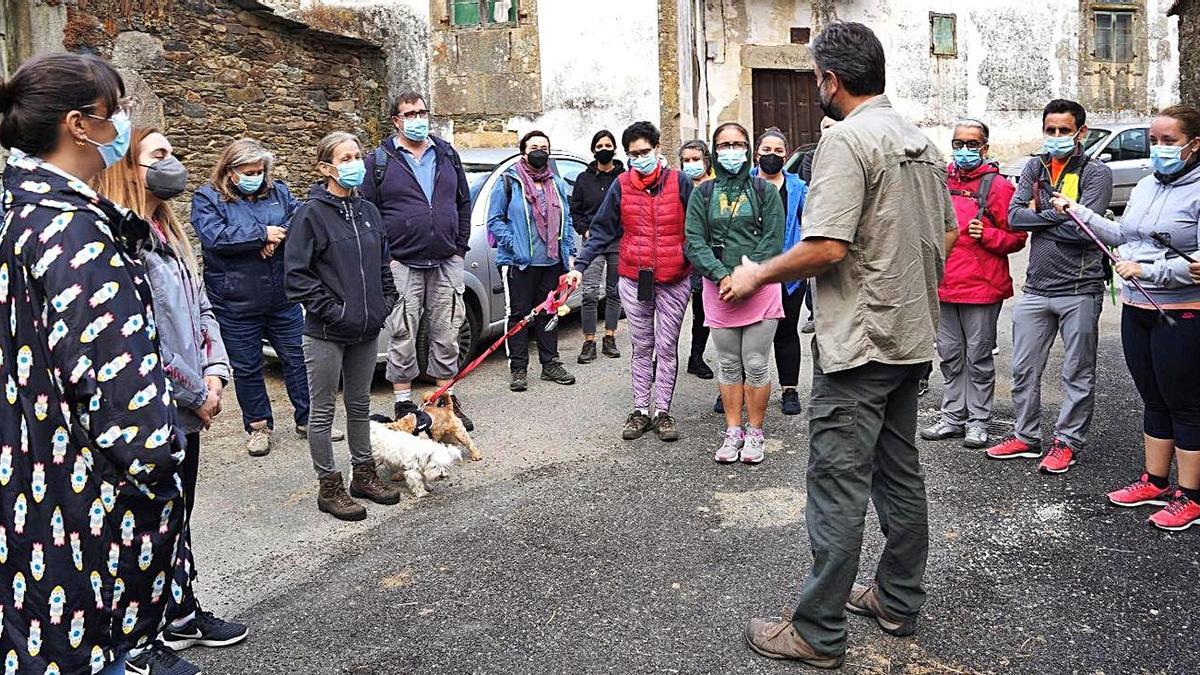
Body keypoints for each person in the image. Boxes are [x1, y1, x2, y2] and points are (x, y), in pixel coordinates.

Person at [726, 22, 958, 667]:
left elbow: (828, 246)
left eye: (815, 77)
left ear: (830, 79)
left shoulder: (847, 141)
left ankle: (817, 631)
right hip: (909, 336)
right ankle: (897, 599)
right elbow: (947, 230)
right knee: (899, 473)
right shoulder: (919, 141)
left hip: (859, 343)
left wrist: (757, 272)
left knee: (837, 485)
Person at [0, 52, 193, 675]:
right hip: (82, 506)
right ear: (80, 125)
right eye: (116, 114)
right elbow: (123, 391)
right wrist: (160, 464)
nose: (124, 128)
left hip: (28, 478)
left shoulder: (16, 210)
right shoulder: (72, 231)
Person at [96, 126, 250, 672]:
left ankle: (180, 611)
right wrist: (194, 392)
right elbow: (140, 338)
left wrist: (215, 375)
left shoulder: (169, 233)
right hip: (154, 407)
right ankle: (137, 641)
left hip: (189, 403)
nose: (174, 162)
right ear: (129, 168)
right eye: (159, 155)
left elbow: (202, 310)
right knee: (145, 523)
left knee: (176, 516)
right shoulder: (119, 242)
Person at [1051, 105, 1200, 531]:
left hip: (1181, 309)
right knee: (1152, 400)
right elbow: (1124, 235)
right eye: (1154, 141)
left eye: (1169, 142)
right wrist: (1078, 211)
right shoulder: (1148, 184)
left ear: (1194, 145)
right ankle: (1155, 481)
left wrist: (1151, 270)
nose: (1159, 150)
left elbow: (1196, 263)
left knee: (1186, 405)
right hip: (1138, 307)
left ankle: (1190, 495)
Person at [985, 99, 1114, 474]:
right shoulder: (1034, 166)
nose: (1056, 137)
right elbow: (1013, 216)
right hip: (1037, 288)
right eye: (1050, 130)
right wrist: (1052, 214)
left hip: (1080, 288)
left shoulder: (1096, 173)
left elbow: (1082, 230)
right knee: (1024, 368)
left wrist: (1040, 219)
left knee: (1077, 372)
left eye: (1064, 130)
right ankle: (1026, 437)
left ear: (1081, 132)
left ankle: (1067, 442)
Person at [286, 131, 401, 521]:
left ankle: (363, 474)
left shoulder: (368, 211)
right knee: (322, 410)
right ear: (325, 168)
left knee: (360, 404)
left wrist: (386, 303)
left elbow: (383, 264)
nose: (355, 164)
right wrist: (335, 312)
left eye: (358, 156)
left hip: (366, 330)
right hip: (326, 332)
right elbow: (297, 277)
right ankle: (329, 486)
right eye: (345, 157)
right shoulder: (310, 214)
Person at [192, 138, 322, 457]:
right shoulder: (207, 197)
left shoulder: (277, 191)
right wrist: (260, 235)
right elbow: (214, 237)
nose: (256, 176)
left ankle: (309, 420)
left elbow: (300, 218)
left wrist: (276, 237)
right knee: (248, 368)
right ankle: (258, 427)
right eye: (249, 171)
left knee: (298, 360)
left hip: (282, 297)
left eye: (260, 170)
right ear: (231, 171)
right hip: (235, 300)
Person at [566, 121, 694, 441]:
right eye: (634, 154)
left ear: (657, 149)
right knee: (641, 346)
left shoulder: (680, 182)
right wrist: (581, 265)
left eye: (645, 152)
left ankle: (662, 411)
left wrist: (699, 271)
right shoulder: (621, 185)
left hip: (674, 279)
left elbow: (696, 231)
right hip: (634, 278)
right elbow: (601, 231)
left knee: (666, 347)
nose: (640, 158)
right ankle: (640, 410)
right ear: (628, 155)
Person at [362, 91, 474, 430]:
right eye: (410, 114)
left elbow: (463, 203)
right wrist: (387, 257)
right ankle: (403, 403)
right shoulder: (378, 160)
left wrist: (459, 247)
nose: (418, 119)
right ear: (396, 121)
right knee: (402, 331)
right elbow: (367, 212)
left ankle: (446, 400)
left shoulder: (446, 154)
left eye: (422, 112)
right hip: (402, 262)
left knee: (447, 331)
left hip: (445, 259)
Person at [920, 118, 1025, 449]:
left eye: (971, 144)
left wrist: (989, 235)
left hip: (981, 287)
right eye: (958, 144)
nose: (964, 150)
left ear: (985, 148)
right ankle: (952, 416)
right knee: (949, 354)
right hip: (943, 284)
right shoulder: (941, 180)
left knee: (978, 356)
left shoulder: (998, 187)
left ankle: (978, 420)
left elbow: (1018, 236)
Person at [683, 121, 785, 465]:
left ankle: (755, 433)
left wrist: (745, 276)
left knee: (756, 364)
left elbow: (773, 239)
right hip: (719, 289)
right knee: (728, 364)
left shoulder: (764, 191)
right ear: (715, 150)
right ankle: (732, 430)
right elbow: (693, 239)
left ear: (748, 149)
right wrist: (722, 275)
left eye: (738, 144)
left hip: (760, 288)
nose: (731, 151)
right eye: (724, 145)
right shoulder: (703, 193)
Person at [488, 130, 577, 391]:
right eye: (534, 146)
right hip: (519, 264)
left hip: (551, 263)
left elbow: (567, 221)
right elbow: (495, 220)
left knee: (549, 313)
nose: (540, 151)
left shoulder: (556, 184)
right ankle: (518, 368)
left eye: (544, 147)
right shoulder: (509, 182)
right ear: (523, 151)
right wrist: (516, 246)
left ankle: (550, 364)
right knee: (518, 315)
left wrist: (568, 254)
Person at [753, 128, 809, 416]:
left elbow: (809, 223)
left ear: (785, 156)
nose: (771, 156)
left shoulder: (798, 187)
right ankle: (738, 387)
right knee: (748, 333)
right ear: (756, 153)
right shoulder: (743, 183)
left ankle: (789, 390)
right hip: (751, 271)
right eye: (766, 151)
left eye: (777, 152)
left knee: (786, 332)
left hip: (788, 273)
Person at [571, 129, 624, 364]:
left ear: (614, 148)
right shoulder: (584, 179)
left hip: (618, 241)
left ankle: (610, 336)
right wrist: (584, 230)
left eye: (608, 145)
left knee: (614, 291)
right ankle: (589, 341)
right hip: (592, 242)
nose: (604, 150)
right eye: (599, 146)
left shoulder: (623, 178)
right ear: (593, 150)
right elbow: (576, 210)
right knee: (590, 292)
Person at [679, 140, 716, 381]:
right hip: (679, 255)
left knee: (702, 312)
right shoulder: (676, 186)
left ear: (707, 161)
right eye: (687, 160)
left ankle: (696, 357)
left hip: (706, 256)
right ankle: (660, 359)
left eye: (696, 159)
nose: (691, 165)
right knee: (671, 312)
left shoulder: (716, 187)